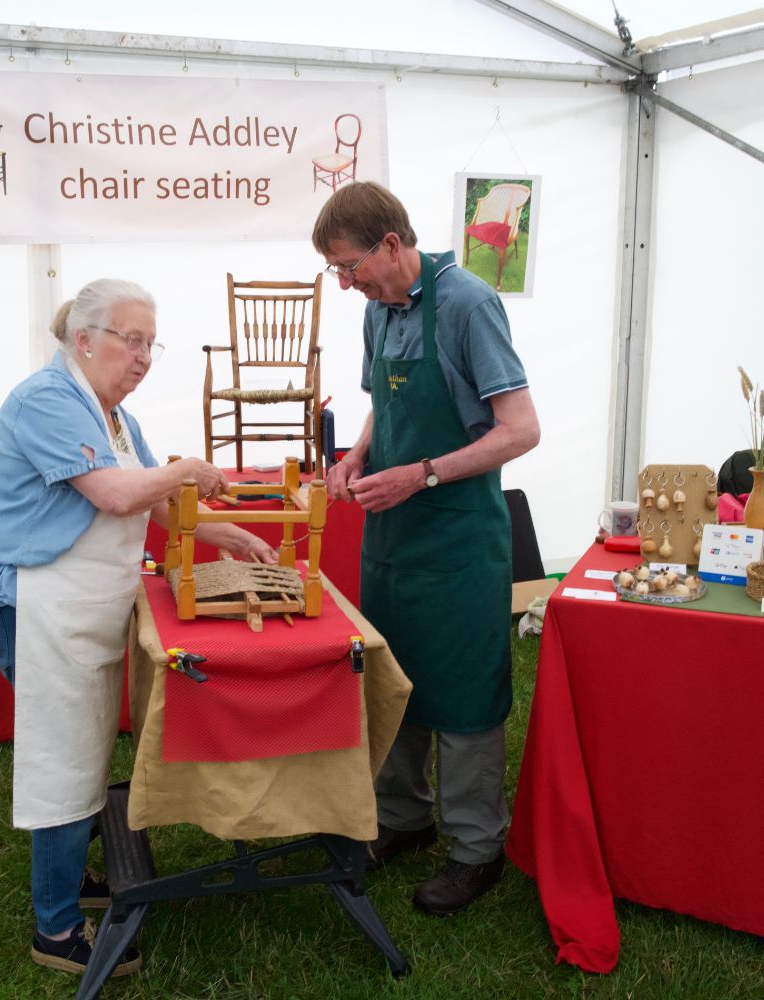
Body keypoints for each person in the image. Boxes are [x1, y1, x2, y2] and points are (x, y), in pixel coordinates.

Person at [0, 278, 276, 976]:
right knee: (61, 759)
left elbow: (151, 494)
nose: (141, 358)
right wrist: (189, 470)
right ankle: (55, 930)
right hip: (40, 602)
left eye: (149, 344)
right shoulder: (48, 399)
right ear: (84, 341)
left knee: (81, 750)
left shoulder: (111, 414)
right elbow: (114, 493)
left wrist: (220, 532)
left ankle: (70, 877)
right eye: (129, 340)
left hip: (82, 608)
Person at [311, 183, 540, 916]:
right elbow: (386, 398)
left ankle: (477, 849)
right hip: (393, 536)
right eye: (337, 274)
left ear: (391, 244)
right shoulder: (380, 312)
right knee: (394, 679)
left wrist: (425, 473)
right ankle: (405, 818)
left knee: (466, 693)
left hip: (459, 536)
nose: (347, 286)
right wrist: (356, 456)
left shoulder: (468, 303)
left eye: (351, 267)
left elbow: (520, 429)